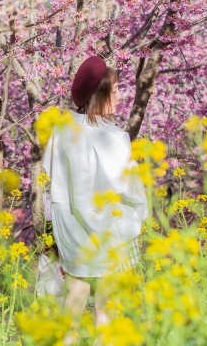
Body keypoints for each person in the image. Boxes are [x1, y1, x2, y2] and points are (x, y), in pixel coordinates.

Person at [41, 55, 147, 326]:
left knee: (71, 313)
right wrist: (139, 217)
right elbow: (132, 190)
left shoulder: (61, 132)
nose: (121, 96)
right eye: (115, 91)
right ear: (100, 97)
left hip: (73, 238)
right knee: (106, 316)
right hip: (110, 238)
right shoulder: (112, 138)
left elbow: (51, 183)